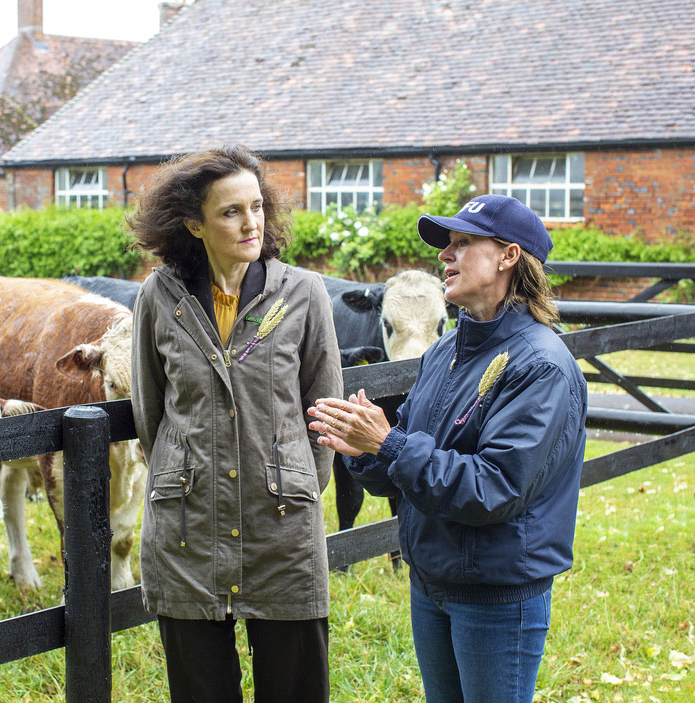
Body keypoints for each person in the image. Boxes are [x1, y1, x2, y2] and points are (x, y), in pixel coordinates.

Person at [308, 194, 587, 703]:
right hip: (432, 579)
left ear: (508, 257)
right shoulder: (443, 352)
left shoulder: (540, 366)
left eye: (462, 244)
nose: (444, 256)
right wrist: (362, 450)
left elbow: (494, 489)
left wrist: (387, 442)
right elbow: (401, 465)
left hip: (493, 595)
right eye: (446, 245)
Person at [128, 145, 343, 703]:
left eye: (256, 207)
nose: (250, 223)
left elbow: (325, 410)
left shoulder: (303, 294)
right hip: (187, 530)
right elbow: (152, 412)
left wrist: (294, 483)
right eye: (230, 212)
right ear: (194, 225)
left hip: (283, 528)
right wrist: (182, 475)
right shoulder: (160, 296)